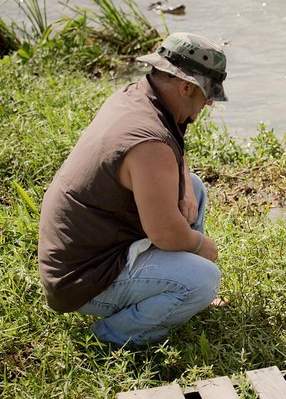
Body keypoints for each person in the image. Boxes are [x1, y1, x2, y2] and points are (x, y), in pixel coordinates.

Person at [38, 32, 228, 349]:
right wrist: (202, 246)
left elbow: (172, 143)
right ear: (185, 87)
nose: (208, 102)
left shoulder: (137, 97)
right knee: (203, 279)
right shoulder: (149, 143)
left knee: (193, 186)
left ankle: (172, 284)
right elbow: (167, 234)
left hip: (90, 250)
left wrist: (183, 183)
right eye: (206, 94)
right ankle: (111, 338)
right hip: (82, 279)